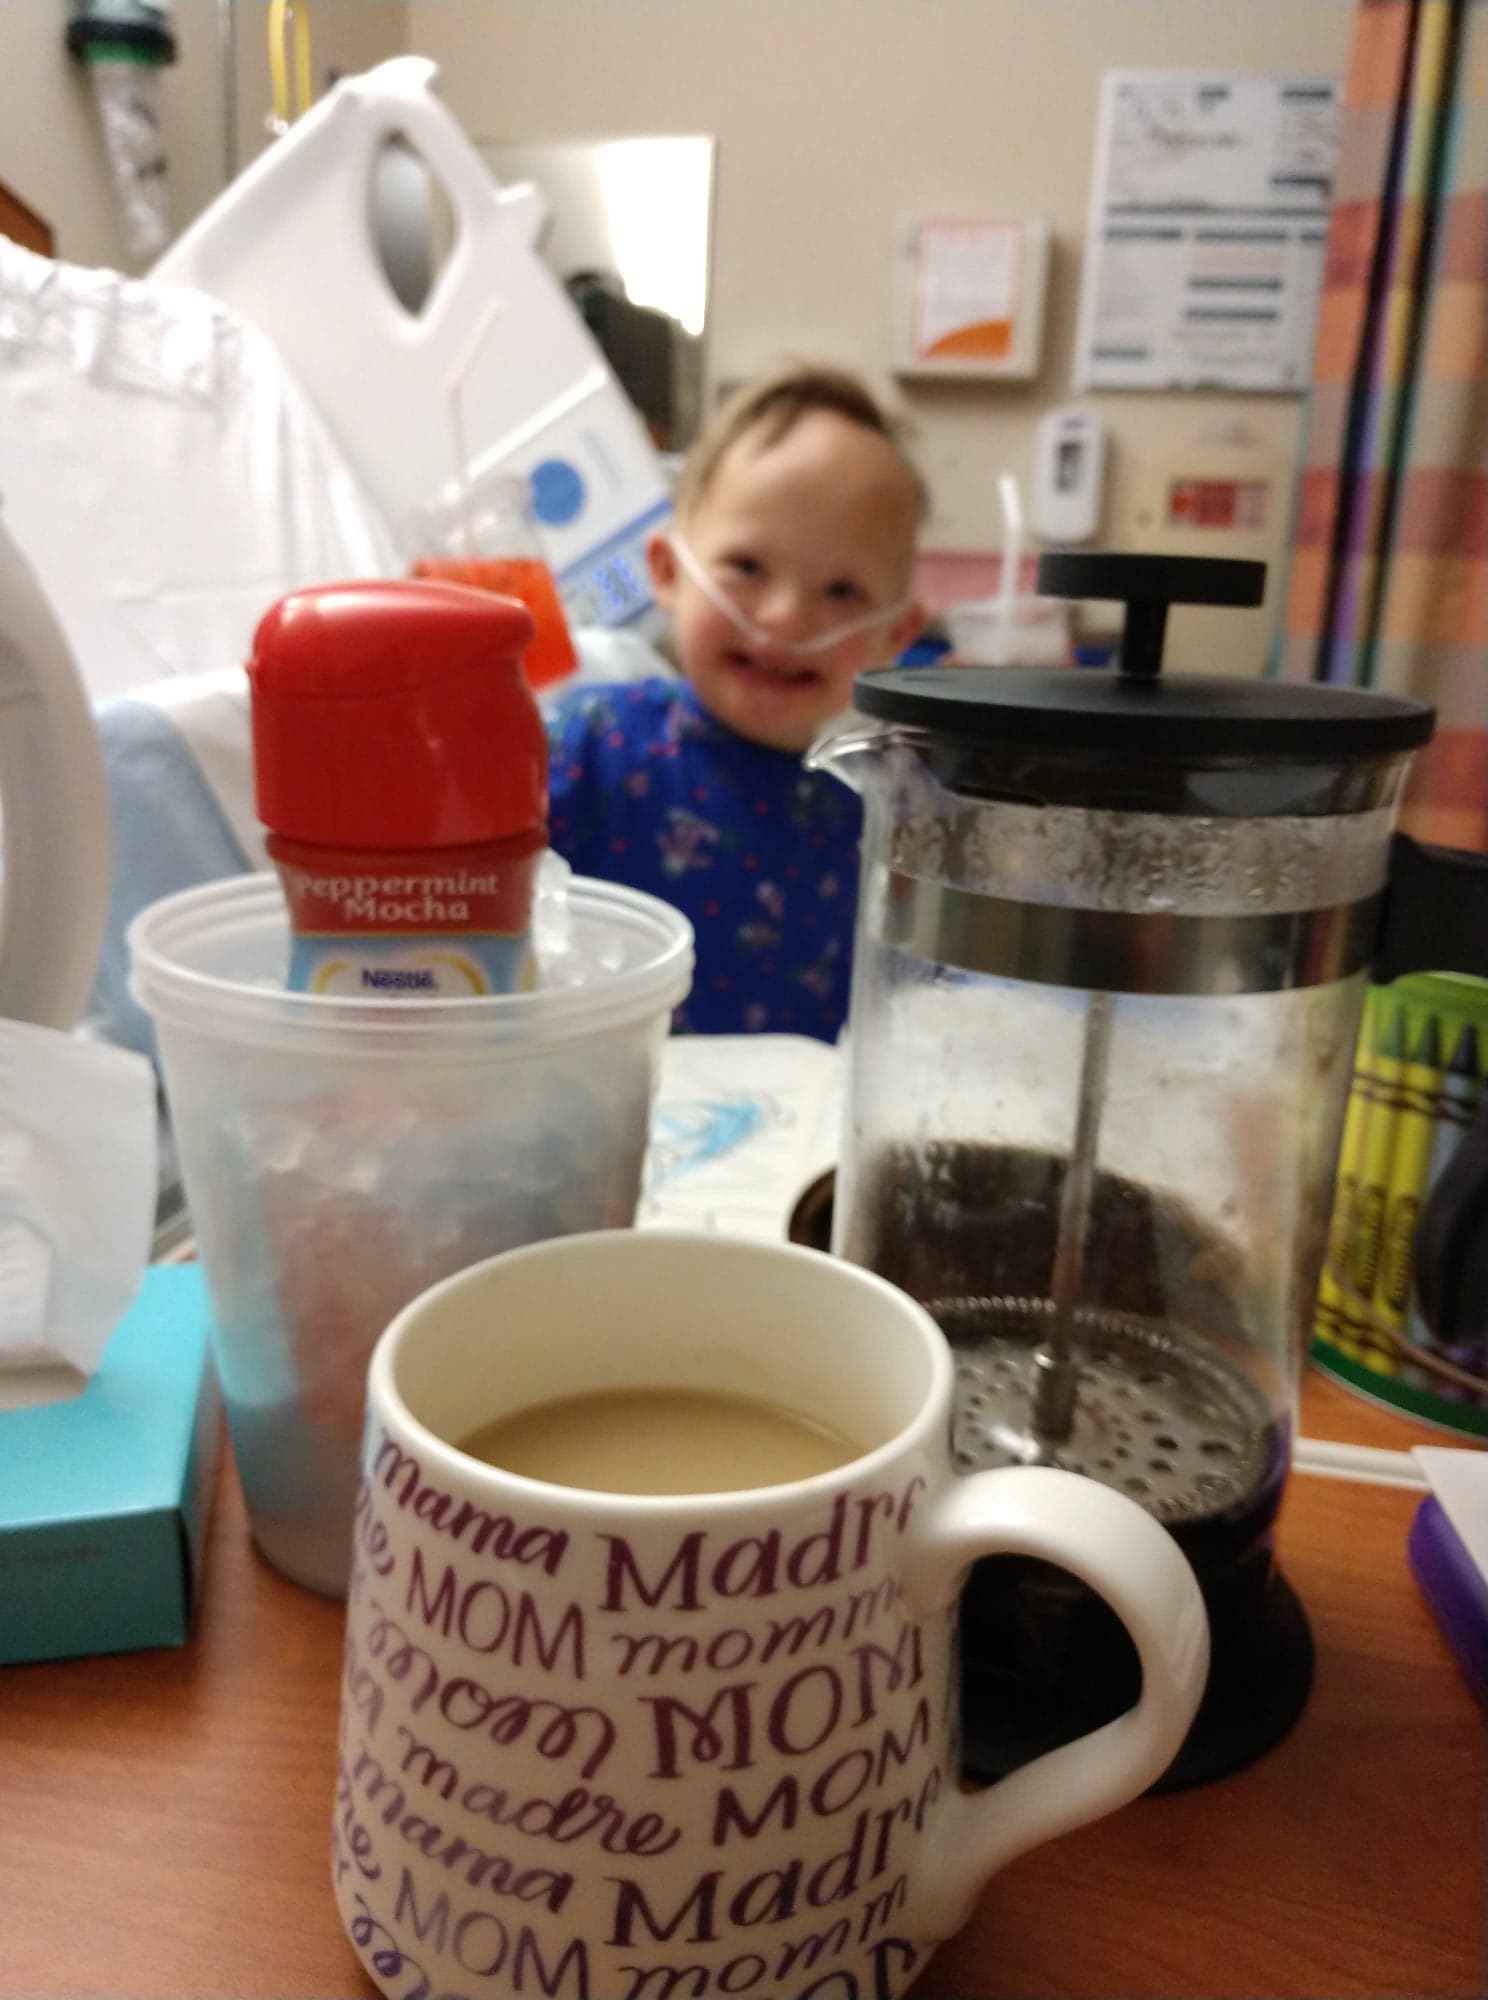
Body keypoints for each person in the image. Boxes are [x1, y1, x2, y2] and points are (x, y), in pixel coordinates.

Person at [546, 361, 927, 1040]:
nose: (785, 618)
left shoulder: (869, 833)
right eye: (748, 568)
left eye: (842, 592)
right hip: (595, 1123)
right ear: (667, 573)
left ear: (896, 633)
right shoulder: (593, 748)